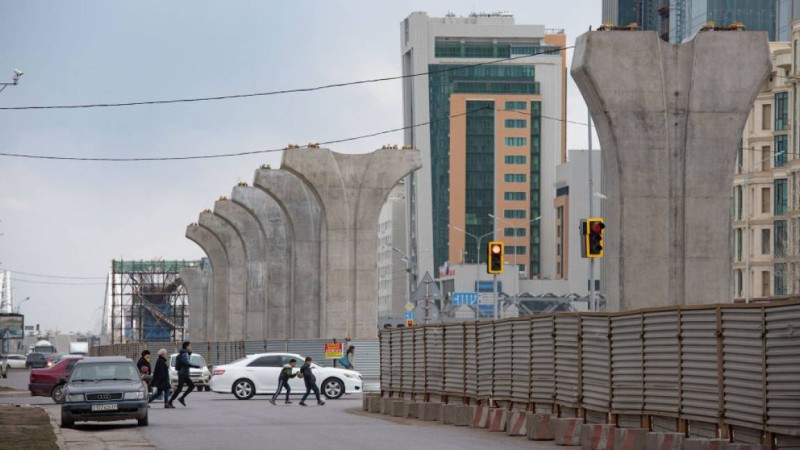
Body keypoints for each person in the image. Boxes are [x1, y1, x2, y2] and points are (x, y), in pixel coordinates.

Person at [168, 341, 200, 407]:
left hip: (182, 373)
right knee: (183, 388)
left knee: (187, 387)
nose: (191, 347)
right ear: (187, 346)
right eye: (190, 346)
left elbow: (178, 366)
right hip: (183, 374)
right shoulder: (185, 354)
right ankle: (171, 401)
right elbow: (186, 363)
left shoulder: (181, 354)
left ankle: (178, 399)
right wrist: (196, 366)